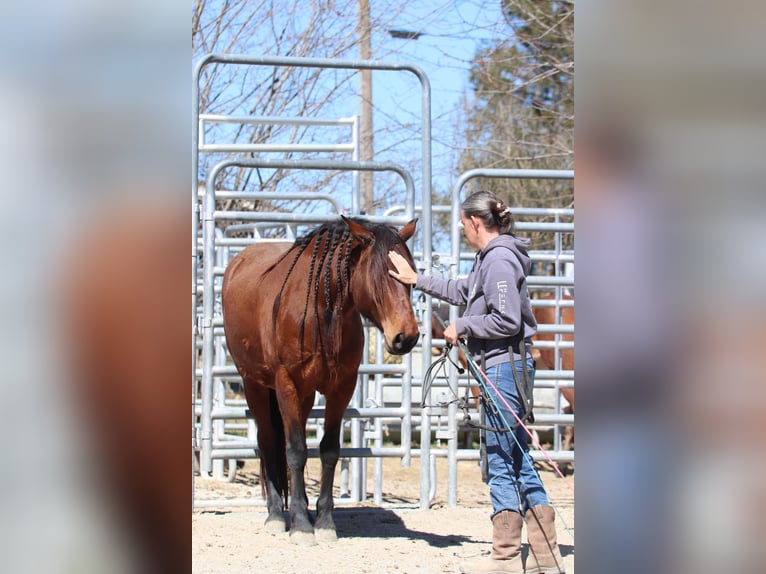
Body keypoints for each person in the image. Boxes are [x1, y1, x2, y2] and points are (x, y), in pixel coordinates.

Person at [388, 190, 564, 574]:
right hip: (503, 366)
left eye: (463, 224)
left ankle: (504, 559)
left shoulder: (499, 259)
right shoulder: (493, 258)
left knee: (501, 459)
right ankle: (544, 557)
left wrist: (462, 325)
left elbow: (507, 320)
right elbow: (464, 291)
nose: (463, 231)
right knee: (516, 458)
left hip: (501, 368)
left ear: (475, 223)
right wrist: (416, 279)